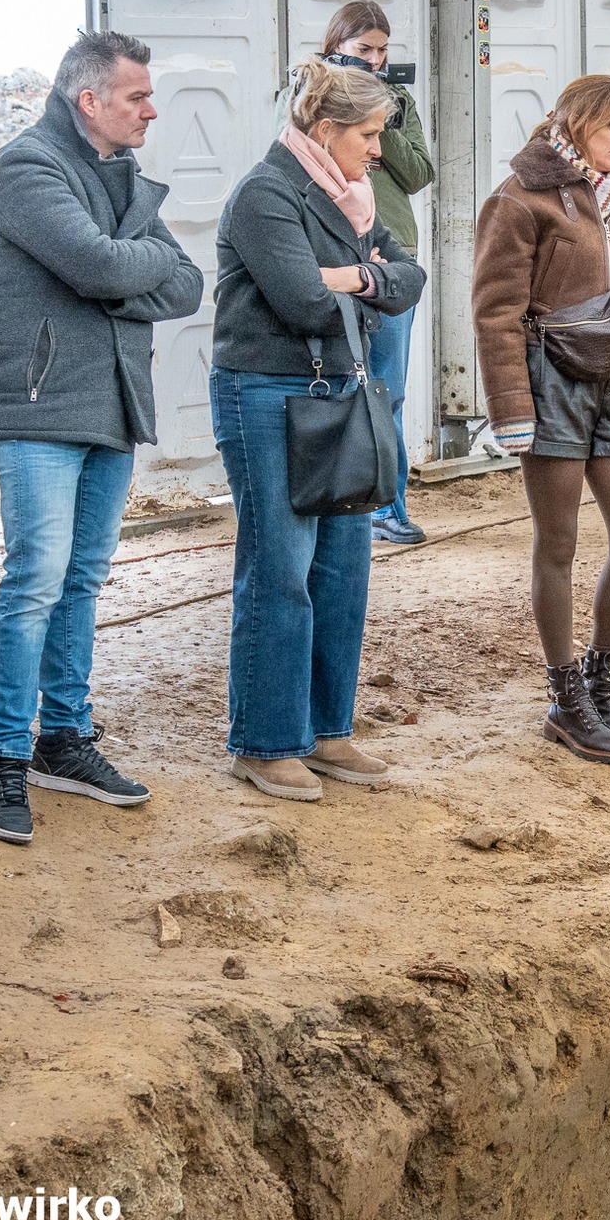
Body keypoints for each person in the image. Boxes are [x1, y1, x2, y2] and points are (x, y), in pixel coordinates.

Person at [0, 30, 205, 845]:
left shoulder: (123, 175)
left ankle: (62, 740)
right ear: (88, 100)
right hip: (35, 409)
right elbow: (105, 269)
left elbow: (188, 284)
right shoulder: (27, 167)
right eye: (136, 95)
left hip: (112, 404)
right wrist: (119, 268)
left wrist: (113, 269)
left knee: (83, 582)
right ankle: (2, 753)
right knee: (36, 578)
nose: (151, 108)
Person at [212, 60, 426, 802]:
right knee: (280, 569)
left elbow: (408, 282)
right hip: (267, 395)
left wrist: (350, 275)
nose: (377, 151)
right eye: (368, 135)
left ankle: (328, 732)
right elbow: (303, 300)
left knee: (343, 567)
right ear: (327, 130)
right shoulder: (264, 193)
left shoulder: (358, 201)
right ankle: (265, 742)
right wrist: (358, 273)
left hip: (338, 392)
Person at [473, 75, 610, 767]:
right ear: (575, 122)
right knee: (556, 544)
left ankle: (602, 674)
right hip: (550, 383)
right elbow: (496, 311)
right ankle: (565, 697)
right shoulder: (518, 199)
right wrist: (510, 408)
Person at [308, 0, 435, 545]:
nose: (376, 61)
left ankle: (387, 506)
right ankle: (339, 502)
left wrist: (383, 124)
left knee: (390, 389)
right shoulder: (305, 95)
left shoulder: (398, 100)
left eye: (383, 51)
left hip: (392, 249)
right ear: (336, 46)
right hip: (333, 253)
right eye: (364, 51)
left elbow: (420, 172)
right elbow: (295, 160)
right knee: (337, 381)